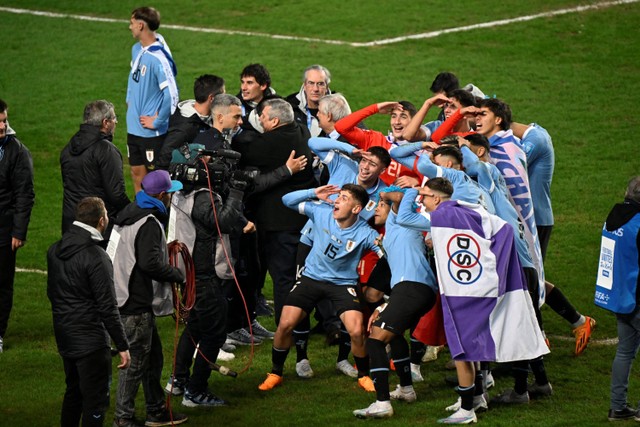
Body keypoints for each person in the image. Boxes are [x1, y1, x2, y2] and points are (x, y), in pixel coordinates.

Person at [258, 184, 383, 392]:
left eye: (343, 198)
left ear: (356, 209)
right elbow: (287, 200)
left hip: (343, 284)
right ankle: (276, 372)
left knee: (356, 331)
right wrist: (313, 193)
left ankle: (363, 376)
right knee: (285, 324)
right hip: (311, 279)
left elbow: (386, 256)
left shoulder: (366, 233)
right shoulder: (321, 211)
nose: (336, 201)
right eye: (338, 197)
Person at [167, 148, 247, 408]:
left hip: (188, 273)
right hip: (204, 276)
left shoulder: (181, 193)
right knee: (213, 333)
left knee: (195, 327)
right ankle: (195, 391)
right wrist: (236, 192)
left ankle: (178, 381)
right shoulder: (202, 198)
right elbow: (222, 222)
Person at [108, 170, 187, 427]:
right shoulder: (150, 222)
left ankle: (155, 410)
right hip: (135, 304)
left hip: (119, 296)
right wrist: (178, 274)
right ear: (162, 195)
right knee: (135, 364)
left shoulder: (128, 212)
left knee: (152, 359)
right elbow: (150, 263)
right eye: (170, 193)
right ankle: (124, 418)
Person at [353, 187, 438, 419]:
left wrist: (387, 194)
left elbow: (400, 196)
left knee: (375, 340)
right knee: (394, 334)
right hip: (412, 290)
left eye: (381, 206)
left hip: (412, 288)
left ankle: (382, 403)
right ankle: (406, 389)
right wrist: (383, 306)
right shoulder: (392, 230)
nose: (376, 210)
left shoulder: (401, 220)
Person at [512, 121, 596, 355]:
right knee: (528, 277)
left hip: (534, 219)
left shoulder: (533, 140)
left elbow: (509, 172)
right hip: (528, 218)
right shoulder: (526, 138)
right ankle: (574, 322)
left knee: (529, 278)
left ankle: (545, 334)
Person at [232, 98, 317, 326]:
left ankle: (285, 326)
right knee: (298, 275)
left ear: (276, 120)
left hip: (278, 223)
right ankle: (298, 324)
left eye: (264, 116)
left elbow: (241, 152)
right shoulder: (302, 130)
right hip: (301, 219)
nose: (259, 119)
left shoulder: (269, 144)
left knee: (282, 278)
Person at [47, 197, 131, 427]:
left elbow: (52, 294)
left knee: (73, 393)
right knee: (95, 402)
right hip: (91, 342)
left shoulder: (54, 250)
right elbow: (107, 307)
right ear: (101, 220)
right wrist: (122, 345)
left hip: (65, 336)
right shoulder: (96, 257)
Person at [594, 176, 640, 421]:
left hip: (620, 296)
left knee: (625, 352)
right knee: (625, 352)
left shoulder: (613, 217)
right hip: (637, 296)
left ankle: (618, 407)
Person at [126, 6, 179, 192]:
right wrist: (128, 99)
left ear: (141, 26)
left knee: (157, 182)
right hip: (134, 127)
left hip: (151, 133)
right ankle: (141, 215)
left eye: (132, 23)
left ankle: (159, 218)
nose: (129, 27)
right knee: (136, 173)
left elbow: (171, 94)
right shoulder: (136, 49)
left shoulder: (158, 58)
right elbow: (133, 77)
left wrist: (158, 121)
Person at [60, 100, 130, 235]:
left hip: (71, 224)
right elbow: (116, 195)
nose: (116, 122)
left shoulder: (68, 148)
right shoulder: (106, 151)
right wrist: (132, 212)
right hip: (97, 225)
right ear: (105, 123)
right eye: (114, 118)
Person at [0, 98, 35, 353]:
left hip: (4, 229)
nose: (2, 127)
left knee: (2, 283)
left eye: (4, 121)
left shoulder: (17, 151)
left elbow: (25, 194)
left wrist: (18, 231)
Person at [334, 101, 423, 187]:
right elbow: (341, 127)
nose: (397, 122)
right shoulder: (374, 139)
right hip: (365, 197)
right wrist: (375, 108)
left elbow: (435, 181)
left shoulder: (422, 152)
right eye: (393, 116)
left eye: (403, 117)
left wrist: (418, 180)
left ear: (414, 122)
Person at [156, 74, 225, 170]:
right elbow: (165, 158)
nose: (224, 101)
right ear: (211, 98)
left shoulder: (208, 118)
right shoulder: (185, 127)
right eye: (222, 96)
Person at [286, 65, 332, 137]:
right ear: (304, 85)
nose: (315, 89)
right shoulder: (289, 108)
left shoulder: (338, 108)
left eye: (320, 84)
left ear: (327, 87)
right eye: (311, 83)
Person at [237, 64, 275, 132]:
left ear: (263, 86)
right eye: (242, 82)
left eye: (249, 83)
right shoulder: (234, 106)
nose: (243, 88)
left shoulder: (278, 105)